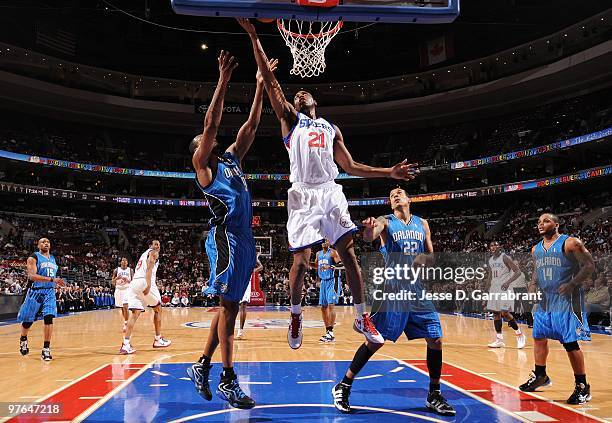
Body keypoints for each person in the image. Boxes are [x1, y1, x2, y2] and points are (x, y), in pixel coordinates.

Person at [237, 18, 418, 349]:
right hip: (303, 194)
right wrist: (253, 35)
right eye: (296, 93)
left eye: (305, 92)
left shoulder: (331, 128)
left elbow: (350, 165)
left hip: (330, 192)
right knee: (301, 262)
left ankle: (362, 317)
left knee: (348, 253)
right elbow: (271, 81)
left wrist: (387, 173)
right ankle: (295, 315)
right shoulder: (291, 120)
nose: (300, 92)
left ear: (315, 101)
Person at [186, 51, 277, 410]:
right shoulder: (204, 168)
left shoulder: (231, 160)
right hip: (225, 238)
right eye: (202, 141)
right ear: (199, 151)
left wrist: (258, 86)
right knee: (227, 305)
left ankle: (202, 364)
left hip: (245, 240)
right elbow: (210, 125)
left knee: (230, 306)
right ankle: (227, 378)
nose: (206, 140)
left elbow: (251, 127)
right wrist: (223, 79)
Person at [332, 187, 454, 416]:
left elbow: (431, 255)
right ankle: (344, 385)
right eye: (391, 195)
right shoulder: (385, 221)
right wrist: (368, 230)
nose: (396, 195)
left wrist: (423, 259)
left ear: (409, 199)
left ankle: (434, 393)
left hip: (416, 289)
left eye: (400, 192)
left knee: (435, 338)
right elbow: (371, 236)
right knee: (375, 342)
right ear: (390, 204)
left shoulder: (422, 223)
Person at [519, 213, 595, 405]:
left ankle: (582, 386)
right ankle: (540, 375)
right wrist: (532, 286)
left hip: (566, 299)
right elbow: (537, 271)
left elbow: (589, 265)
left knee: (569, 343)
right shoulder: (535, 249)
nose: (541, 224)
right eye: (538, 222)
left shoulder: (570, 243)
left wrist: (572, 284)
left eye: (546, 221)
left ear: (557, 224)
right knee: (538, 336)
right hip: (546, 299)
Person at [120, 240, 171, 354]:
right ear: (150, 246)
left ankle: (125, 344)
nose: (157, 246)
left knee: (135, 314)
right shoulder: (153, 253)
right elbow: (149, 267)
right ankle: (158, 339)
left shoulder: (143, 254)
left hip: (134, 284)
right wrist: (148, 284)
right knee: (158, 308)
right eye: (155, 244)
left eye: (158, 244)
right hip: (144, 282)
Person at [17, 238, 65, 361]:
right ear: (38, 245)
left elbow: (52, 276)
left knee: (49, 318)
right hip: (35, 291)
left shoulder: (53, 259)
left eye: (48, 242)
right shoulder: (33, 257)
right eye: (43, 242)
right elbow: (32, 276)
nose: (46, 243)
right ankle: (23, 338)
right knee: (28, 321)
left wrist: (56, 283)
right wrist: (51, 280)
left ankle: (46, 349)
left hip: (49, 292)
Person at [485, 241, 526, 349]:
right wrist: (486, 289)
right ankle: (499, 339)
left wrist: (508, 282)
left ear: (500, 247)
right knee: (496, 313)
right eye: (491, 245)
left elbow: (517, 272)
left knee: (505, 313)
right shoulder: (490, 260)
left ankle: (520, 334)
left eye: (495, 245)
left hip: (505, 289)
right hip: (494, 288)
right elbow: (490, 275)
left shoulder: (505, 257)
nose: (493, 247)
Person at [311, 240, 341, 342]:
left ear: (330, 242)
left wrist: (330, 266)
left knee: (331, 305)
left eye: (326, 240)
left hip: (333, 281)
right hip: (323, 281)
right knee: (323, 307)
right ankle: (328, 331)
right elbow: (316, 266)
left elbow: (342, 265)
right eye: (323, 240)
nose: (324, 241)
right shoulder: (318, 254)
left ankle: (331, 333)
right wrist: (307, 264)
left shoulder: (333, 252)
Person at [236, 250, 263, 339]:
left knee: (243, 305)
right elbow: (260, 267)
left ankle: (240, 331)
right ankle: (237, 330)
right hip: (240, 280)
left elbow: (260, 267)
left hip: (243, 280)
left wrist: (256, 259)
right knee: (237, 306)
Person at [112, 257, 133, 333]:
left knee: (125, 306)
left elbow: (133, 282)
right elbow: (112, 282)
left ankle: (126, 323)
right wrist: (117, 278)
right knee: (122, 307)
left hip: (127, 289)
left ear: (127, 263)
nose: (124, 262)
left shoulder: (130, 270)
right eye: (122, 261)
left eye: (125, 260)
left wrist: (128, 280)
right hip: (119, 290)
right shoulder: (116, 270)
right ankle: (126, 320)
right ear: (120, 262)